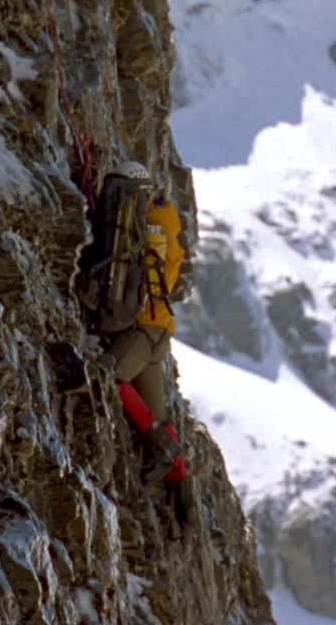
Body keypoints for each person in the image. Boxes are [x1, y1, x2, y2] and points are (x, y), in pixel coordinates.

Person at [97, 160, 189, 485]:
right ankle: (181, 488)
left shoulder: (146, 227)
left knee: (110, 375)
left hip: (143, 330)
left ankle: (162, 447)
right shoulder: (163, 226)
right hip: (157, 332)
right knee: (158, 414)